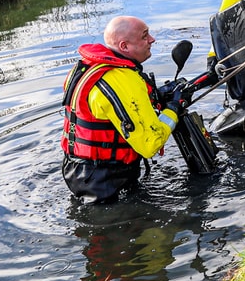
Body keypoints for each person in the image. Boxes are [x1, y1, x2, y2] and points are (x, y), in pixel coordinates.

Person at [61, 16, 187, 202]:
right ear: (124, 47)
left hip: (78, 168)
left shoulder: (87, 68)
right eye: (145, 36)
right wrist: (174, 109)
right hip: (104, 178)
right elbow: (150, 144)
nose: (152, 39)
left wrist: (158, 96)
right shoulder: (121, 79)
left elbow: (106, 112)